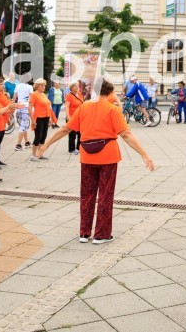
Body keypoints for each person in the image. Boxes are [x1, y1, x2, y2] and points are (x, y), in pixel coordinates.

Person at [41, 80, 155, 243]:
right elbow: (126, 135)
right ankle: (101, 234)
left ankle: (84, 232)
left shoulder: (83, 107)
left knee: (86, 194)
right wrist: (144, 155)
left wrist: (47, 144)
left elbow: (65, 129)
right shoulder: (112, 109)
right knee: (105, 195)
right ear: (109, 93)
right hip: (108, 156)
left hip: (87, 156)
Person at [30, 78, 57, 161]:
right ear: (37, 86)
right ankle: (33, 155)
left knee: (43, 136)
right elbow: (29, 108)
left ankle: (40, 154)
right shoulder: (34, 95)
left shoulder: (43, 95)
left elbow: (47, 107)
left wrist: (49, 119)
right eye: (42, 85)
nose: (43, 87)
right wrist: (32, 120)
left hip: (46, 117)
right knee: (38, 136)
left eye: (44, 86)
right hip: (38, 118)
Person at [64, 83, 84, 154]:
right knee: (72, 133)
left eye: (77, 86)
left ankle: (79, 147)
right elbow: (66, 106)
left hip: (80, 117)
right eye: (75, 86)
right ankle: (71, 149)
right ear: (71, 88)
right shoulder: (69, 96)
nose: (77, 87)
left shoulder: (80, 94)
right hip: (72, 117)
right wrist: (67, 115)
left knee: (80, 133)